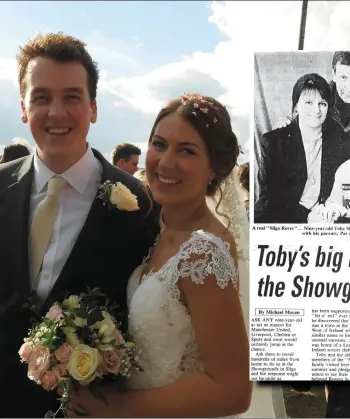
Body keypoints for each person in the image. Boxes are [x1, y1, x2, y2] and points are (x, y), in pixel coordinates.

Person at [0, 32, 161, 418]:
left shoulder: (138, 202)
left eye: (72, 97)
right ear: (24, 108)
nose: (56, 112)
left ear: (93, 107)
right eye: (41, 97)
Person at [67, 94, 278, 418]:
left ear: (214, 167)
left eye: (187, 151)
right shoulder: (161, 233)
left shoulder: (204, 254)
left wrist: (114, 408)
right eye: (160, 144)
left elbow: (233, 391)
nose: (165, 162)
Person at [254, 73, 345, 223]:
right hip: (286, 217)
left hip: (324, 217)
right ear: (296, 106)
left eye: (322, 103)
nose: (316, 110)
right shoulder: (274, 142)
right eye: (309, 102)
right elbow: (268, 198)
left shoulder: (339, 140)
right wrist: (307, 216)